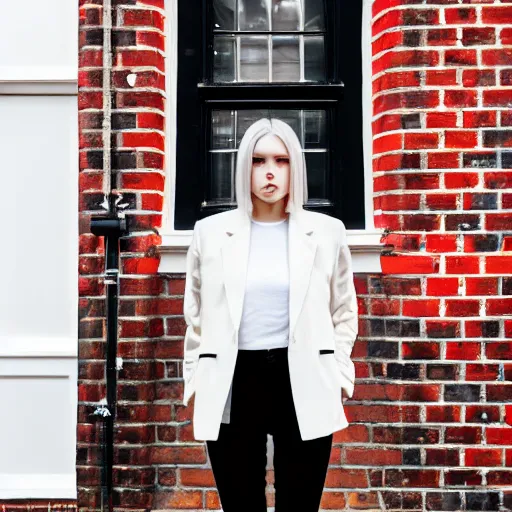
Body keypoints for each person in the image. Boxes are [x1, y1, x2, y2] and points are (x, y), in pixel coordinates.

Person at [182, 118, 358, 512]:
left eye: (281, 160)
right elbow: (195, 313)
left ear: (295, 167)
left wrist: (340, 374)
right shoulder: (210, 233)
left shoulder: (326, 232)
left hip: (304, 375)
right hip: (234, 378)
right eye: (259, 161)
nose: (269, 172)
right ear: (244, 166)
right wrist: (196, 375)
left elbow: (344, 311)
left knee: (300, 501)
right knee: (240, 501)